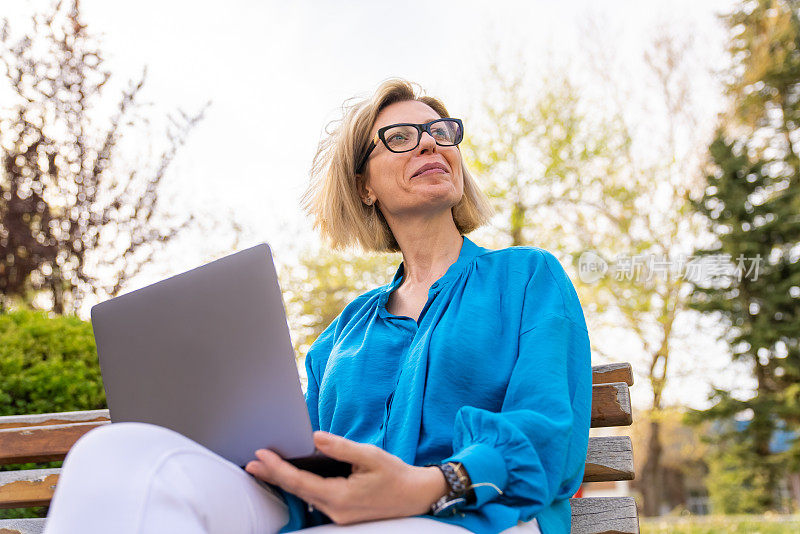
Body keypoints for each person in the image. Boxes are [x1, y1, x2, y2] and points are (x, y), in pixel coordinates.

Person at [42, 78, 592, 534]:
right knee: (112, 453)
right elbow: (300, 453)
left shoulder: (527, 278)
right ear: (363, 187)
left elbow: (550, 434)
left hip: (471, 517)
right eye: (400, 137)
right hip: (327, 521)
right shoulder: (342, 336)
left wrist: (427, 485)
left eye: (440, 132)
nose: (429, 144)